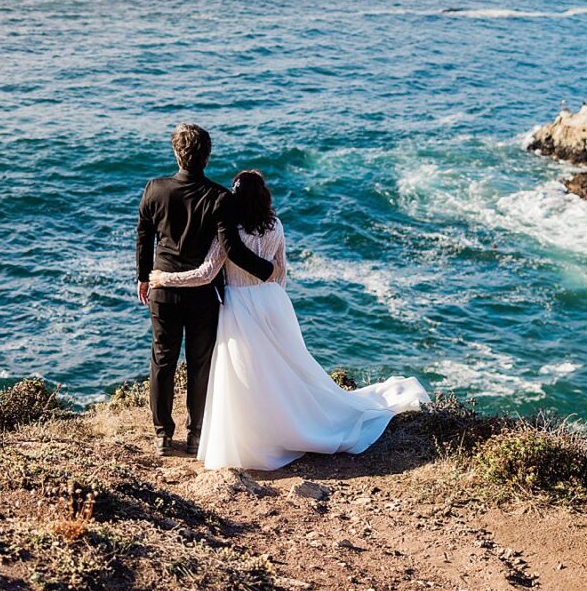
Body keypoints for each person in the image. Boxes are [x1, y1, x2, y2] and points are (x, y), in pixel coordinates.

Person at [149, 169, 428, 470]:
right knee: (284, 370)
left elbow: (205, 274)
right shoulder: (276, 226)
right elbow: (280, 270)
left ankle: (259, 434)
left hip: (240, 305)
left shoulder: (229, 231)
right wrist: (273, 302)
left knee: (247, 375)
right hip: (273, 301)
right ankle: (288, 421)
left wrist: (164, 278)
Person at [135, 123, 274, 456]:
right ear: (207, 157)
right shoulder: (220, 197)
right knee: (200, 364)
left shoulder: (154, 189)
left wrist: (143, 277)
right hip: (204, 296)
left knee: (163, 361)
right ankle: (197, 433)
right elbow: (232, 248)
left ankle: (162, 435)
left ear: (176, 153)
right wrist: (267, 270)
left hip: (163, 289)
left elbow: (144, 237)